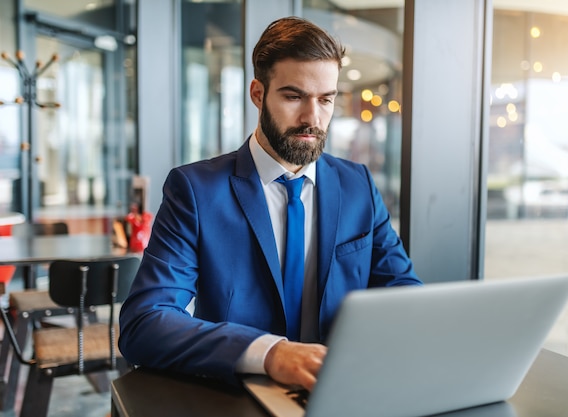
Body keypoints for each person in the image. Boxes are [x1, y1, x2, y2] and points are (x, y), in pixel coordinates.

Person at [118, 16, 421, 393]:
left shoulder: (356, 184)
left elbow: (403, 291)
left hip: (340, 390)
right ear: (258, 94)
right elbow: (143, 323)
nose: (313, 117)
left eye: (326, 99)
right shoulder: (195, 190)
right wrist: (271, 354)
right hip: (238, 396)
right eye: (294, 97)